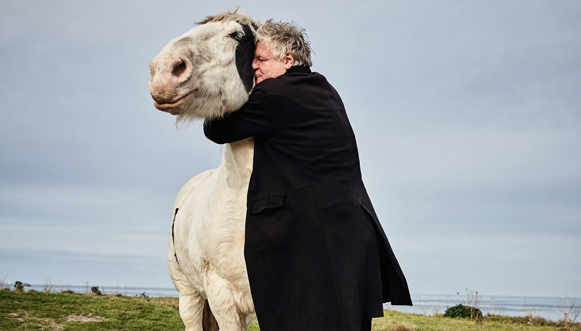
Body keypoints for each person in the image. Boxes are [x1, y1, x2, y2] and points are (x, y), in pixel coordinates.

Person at [204, 20, 412, 331]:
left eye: (260, 59)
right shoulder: (325, 89)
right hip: (352, 236)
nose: (254, 68)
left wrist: (225, 88)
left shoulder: (274, 94)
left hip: (314, 242)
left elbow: (217, 129)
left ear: (287, 59)